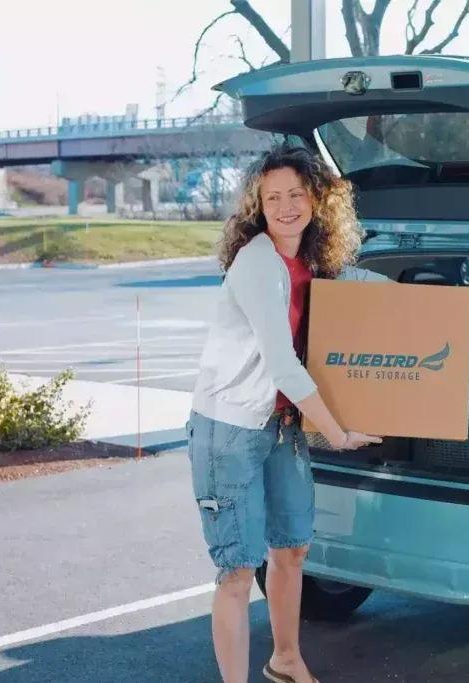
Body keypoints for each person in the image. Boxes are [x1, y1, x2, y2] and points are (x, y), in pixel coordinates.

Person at [187, 142, 388, 683]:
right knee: (236, 570)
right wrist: (337, 432)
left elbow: (361, 297)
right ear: (257, 205)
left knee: (293, 548)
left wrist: (425, 306)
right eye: (272, 197)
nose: (285, 206)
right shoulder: (258, 263)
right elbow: (284, 366)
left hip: (279, 426)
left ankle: (286, 659)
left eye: (296, 194)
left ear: (317, 199)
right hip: (229, 429)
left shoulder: (309, 260)